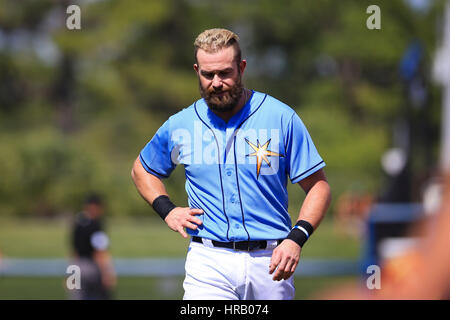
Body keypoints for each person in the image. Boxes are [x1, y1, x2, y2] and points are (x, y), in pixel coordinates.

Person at [131, 28, 331, 300]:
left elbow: (318, 186)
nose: (216, 82)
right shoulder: (181, 125)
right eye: (207, 74)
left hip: (271, 261)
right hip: (209, 261)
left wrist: (296, 238)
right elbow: (142, 169)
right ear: (196, 71)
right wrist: (168, 210)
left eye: (225, 73)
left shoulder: (280, 117)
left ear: (242, 68)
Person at [70, 193, 116, 300]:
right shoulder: (96, 225)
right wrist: (107, 273)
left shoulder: (77, 224)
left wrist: (70, 273)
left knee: (77, 295)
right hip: (92, 267)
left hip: (77, 266)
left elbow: (74, 251)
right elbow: (99, 251)